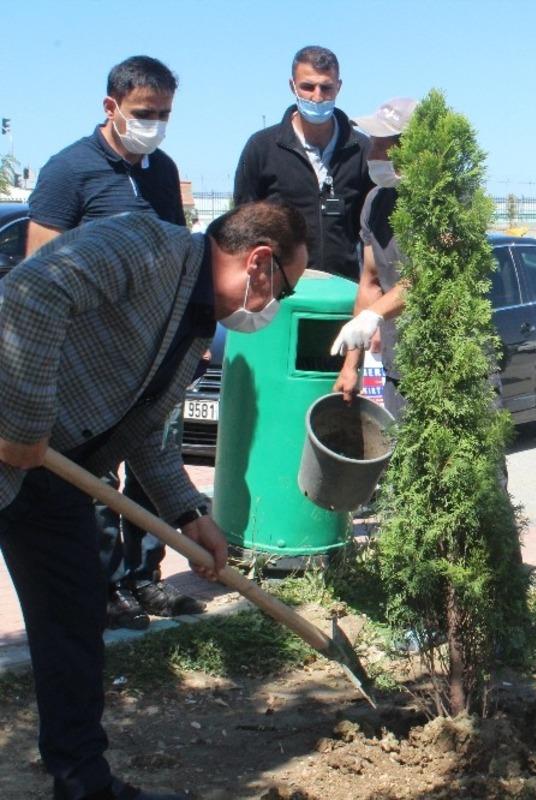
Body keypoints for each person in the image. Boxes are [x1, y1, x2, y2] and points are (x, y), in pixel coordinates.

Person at [0, 201, 308, 800]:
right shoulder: (144, 246)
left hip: (55, 477)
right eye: (286, 291)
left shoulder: (195, 334)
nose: (278, 307)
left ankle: (84, 783)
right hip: (16, 444)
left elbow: (147, 432)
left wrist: (189, 515)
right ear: (260, 263)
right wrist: (25, 423)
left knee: (74, 626)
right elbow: (33, 292)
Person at [25, 55, 205, 630]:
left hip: (150, 356)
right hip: (89, 363)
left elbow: (179, 258)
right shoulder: (69, 172)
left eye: (164, 113)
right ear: (112, 108)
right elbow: (39, 267)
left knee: (156, 460)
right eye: (143, 112)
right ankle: (101, 588)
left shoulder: (161, 169)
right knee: (97, 478)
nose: (154, 122)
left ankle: (143, 578)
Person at [233, 45, 370, 281]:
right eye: (308, 87)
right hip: (280, 291)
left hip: (345, 290)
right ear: (292, 86)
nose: (317, 97)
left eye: (326, 87)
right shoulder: (262, 147)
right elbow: (243, 225)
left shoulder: (361, 149)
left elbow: (371, 229)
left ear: (338, 87)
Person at [329, 97, 418, 415]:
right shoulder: (375, 202)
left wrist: (374, 315)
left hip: (452, 363)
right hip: (399, 368)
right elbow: (369, 284)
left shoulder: (445, 203)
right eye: (373, 143)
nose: (372, 154)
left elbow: (427, 276)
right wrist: (351, 365)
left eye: (382, 146)